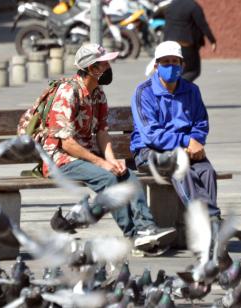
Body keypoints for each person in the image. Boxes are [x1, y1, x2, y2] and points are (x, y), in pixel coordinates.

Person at [42, 43, 175, 254]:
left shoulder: (97, 94)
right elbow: (65, 143)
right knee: (109, 179)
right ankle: (133, 235)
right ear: (91, 68)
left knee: (128, 176)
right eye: (104, 63)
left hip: (84, 157)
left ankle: (145, 228)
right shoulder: (68, 93)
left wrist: (112, 161)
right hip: (59, 159)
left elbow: (102, 132)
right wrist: (101, 163)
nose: (108, 66)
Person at [130, 41, 221, 223]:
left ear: (182, 65)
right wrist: (186, 142)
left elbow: (200, 122)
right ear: (156, 66)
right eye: (165, 62)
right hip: (150, 152)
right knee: (180, 168)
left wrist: (195, 142)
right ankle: (208, 221)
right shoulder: (143, 93)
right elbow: (151, 135)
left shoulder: (192, 90)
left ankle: (210, 224)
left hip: (186, 149)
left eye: (175, 61)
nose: (170, 66)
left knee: (206, 171)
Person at [163, 0, 216, 82]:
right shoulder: (193, 6)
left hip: (170, 44)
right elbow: (202, 24)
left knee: (176, 71)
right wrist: (212, 40)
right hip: (185, 45)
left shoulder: (171, 5)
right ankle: (177, 88)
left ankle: (174, 88)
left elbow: (167, 25)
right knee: (193, 71)